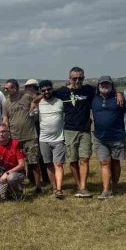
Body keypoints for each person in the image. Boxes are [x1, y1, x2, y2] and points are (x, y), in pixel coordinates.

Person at [53, 68, 110, 197]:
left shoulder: (89, 90)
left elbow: (106, 88)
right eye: (74, 78)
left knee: (84, 159)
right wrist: (34, 101)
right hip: (69, 130)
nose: (77, 80)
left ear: (83, 78)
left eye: (80, 78)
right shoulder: (62, 92)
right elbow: (46, 94)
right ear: (69, 78)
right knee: (73, 161)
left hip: (85, 130)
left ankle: (83, 187)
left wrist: (119, 93)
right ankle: (79, 185)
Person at [3, 79, 43, 193]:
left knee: (33, 162)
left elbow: (39, 97)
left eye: (8, 88)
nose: (5, 90)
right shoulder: (6, 103)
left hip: (30, 135)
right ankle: (18, 185)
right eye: (5, 88)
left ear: (14, 88)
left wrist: (34, 103)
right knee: (17, 164)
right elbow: (5, 117)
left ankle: (38, 185)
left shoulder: (26, 97)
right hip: (14, 137)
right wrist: (4, 128)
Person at [91, 76, 126, 200]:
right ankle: (106, 190)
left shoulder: (119, 98)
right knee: (104, 162)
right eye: (102, 84)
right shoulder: (93, 98)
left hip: (117, 136)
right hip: (100, 137)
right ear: (98, 86)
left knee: (115, 162)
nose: (105, 86)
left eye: (107, 84)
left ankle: (114, 186)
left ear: (112, 85)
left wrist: (120, 93)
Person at [32, 80, 66, 198]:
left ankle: (59, 189)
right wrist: (33, 103)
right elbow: (33, 114)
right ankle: (54, 187)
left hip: (59, 138)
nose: (46, 92)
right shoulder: (39, 103)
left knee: (58, 164)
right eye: (44, 90)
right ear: (41, 91)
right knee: (48, 164)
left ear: (52, 89)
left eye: (48, 89)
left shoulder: (60, 102)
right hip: (44, 139)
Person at [0, 124, 26, 201]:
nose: (1, 134)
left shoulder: (15, 143)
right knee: (0, 199)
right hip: (2, 175)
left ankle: (19, 192)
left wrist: (7, 173)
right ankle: (9, 192)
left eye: (3, 131)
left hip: (17, 173)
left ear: (8, 133)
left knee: (11, 177)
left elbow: (22, 165)